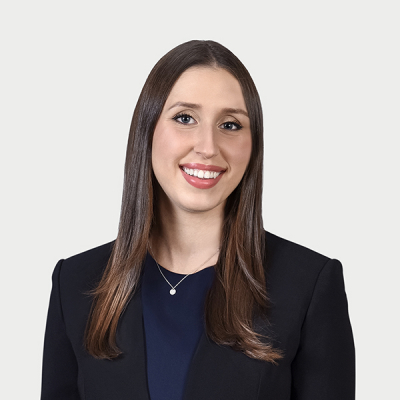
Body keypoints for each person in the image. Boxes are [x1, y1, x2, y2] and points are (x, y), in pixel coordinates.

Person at [40, 40, 355, 400]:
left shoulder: (309, 285)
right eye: (185, 118)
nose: (208, 146)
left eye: (230, 124)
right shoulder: (75, 284)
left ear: (253, 145)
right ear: (147, 129)